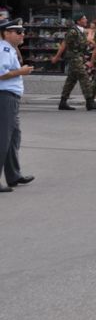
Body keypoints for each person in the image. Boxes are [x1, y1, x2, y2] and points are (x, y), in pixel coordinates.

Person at [0, 18, 34, 193]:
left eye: (23, 32)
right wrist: (21, 71)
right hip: (5, 97)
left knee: (13, 138)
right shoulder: (4, 49)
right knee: (3, 138)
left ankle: (13, 175)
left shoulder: (10, 49)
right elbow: (1, 74)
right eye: (18, 32)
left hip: (10, 97)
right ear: (6, 33)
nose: (23, 35)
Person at [51, 12, 96, 111]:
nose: (86, 20)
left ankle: (63, 102)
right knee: (84, 77)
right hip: (74, 58)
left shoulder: (81, 31)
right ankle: (89, 102)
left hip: (79, 57)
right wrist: (57, 56)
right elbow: (64, 44)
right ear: (78, 21)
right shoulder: (73, 32)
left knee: (71, 80)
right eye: (84, 19)